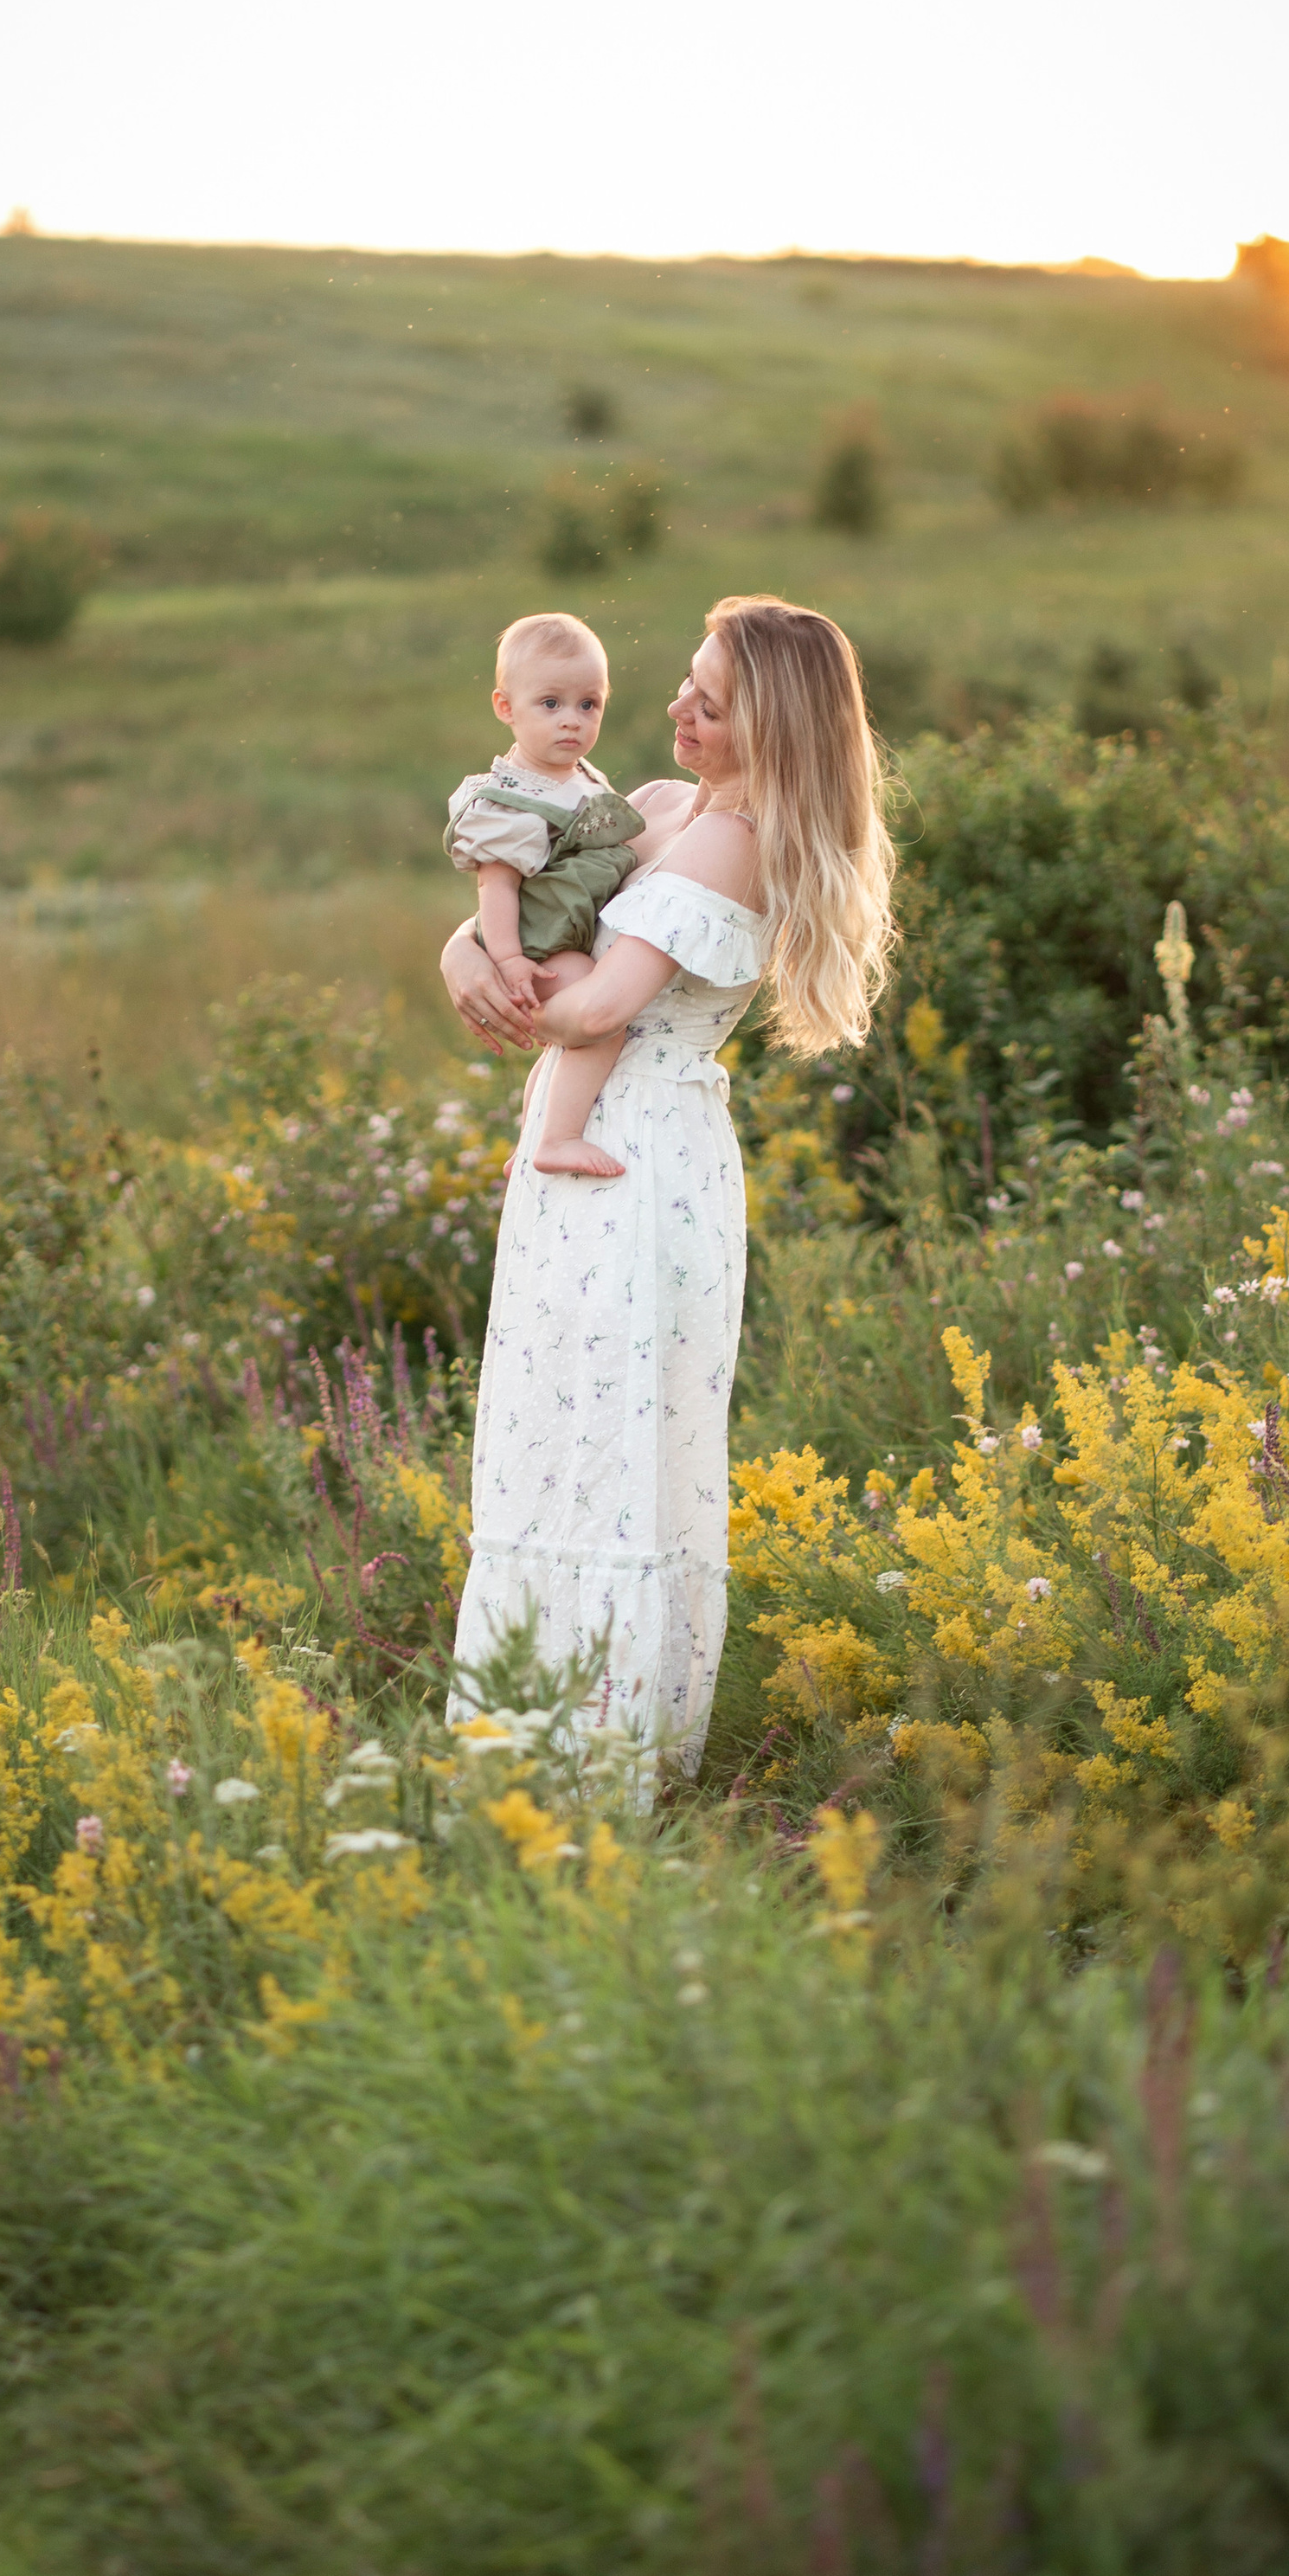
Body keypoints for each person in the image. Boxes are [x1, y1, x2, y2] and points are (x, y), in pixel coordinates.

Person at [440, 593, 896, 1794]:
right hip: (581, 1149)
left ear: (776, 728)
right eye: (687, 679)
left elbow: (590, 1010)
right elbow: (521, 901)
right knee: (555, 1426)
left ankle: (598, 1762)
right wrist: (460, 952)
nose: (676, 704)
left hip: (639, 1165)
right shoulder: (644, 811)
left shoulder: (735, 845)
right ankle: (525, 1741)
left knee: (614, 1440)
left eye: (712, 696)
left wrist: (506, 984)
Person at [443, 611, 645, 1178]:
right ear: (506, 708)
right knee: (602, 1020)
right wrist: (507, 960)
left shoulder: (582, 778)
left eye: (589, 704)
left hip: (556, 933)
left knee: (567, 1046)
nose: (572, 722)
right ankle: (556, 1137)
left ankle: (530, 1135)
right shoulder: (513, 800)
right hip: (534, 943)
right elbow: (497, 885)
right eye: (550, 704)